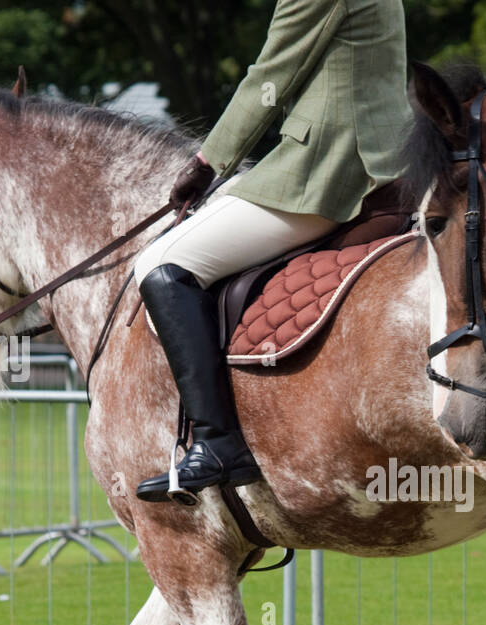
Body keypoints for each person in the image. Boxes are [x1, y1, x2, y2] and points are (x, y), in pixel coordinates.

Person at [132, 0, 413, 503]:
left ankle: (219, 444)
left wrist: (206, 161)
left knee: (159, 263)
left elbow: (272, 73)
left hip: (330, 169)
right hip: (375, 156)